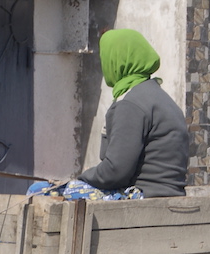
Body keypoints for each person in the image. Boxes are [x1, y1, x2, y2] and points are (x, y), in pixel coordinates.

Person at [29, 28, 189, 200]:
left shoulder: (131, 104)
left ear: (117, 60)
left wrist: (78, 179)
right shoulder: (159, 97)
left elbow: (115, 171)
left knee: (39, 191)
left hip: (143, 194)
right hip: (168, 192)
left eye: (105, 59)